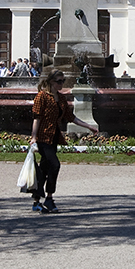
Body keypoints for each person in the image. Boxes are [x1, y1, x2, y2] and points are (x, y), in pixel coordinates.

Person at [29, 70, 97, 213]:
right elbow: (37, 118)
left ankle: (38, 200)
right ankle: (48, 198)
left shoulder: (61, 98)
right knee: (55, 165)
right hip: (42, 137)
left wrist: (89, 126)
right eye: (59, 81)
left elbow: (71, 117)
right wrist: (33, 137)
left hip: (54, 137)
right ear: (51, 82)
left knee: (44, 168)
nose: (61, 84)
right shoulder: (42, 97)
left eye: (63, 81)